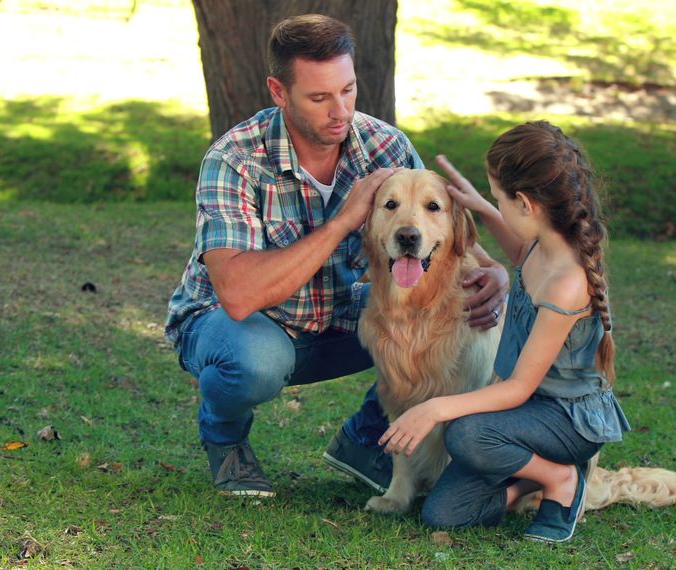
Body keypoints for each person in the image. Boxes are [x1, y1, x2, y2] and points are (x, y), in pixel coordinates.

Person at [164, 14, 508, 498]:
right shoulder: (235, 158)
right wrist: (343, 222)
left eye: (347, 91)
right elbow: (238, 296)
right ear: (279, 92)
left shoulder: (386, 147)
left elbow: (450, 244)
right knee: (255, 360)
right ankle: (226, 441)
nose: (340, 111)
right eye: (320, 97)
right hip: (244, 326)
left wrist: (498, 279)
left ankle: (366, 438)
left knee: (426, 321)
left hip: (343, 317)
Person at [378, 121, 631, 543]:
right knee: (443, 513)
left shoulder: (566, 283)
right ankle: (527, 481)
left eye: (498, 198)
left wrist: (436, 408)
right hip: (528, 418)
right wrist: (478, 204)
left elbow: (516, 389)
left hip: (565, 419)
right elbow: (517, 250)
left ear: (526, 205)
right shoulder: (540, 248)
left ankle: (559, 478)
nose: (494, 205)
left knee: (465, 431)